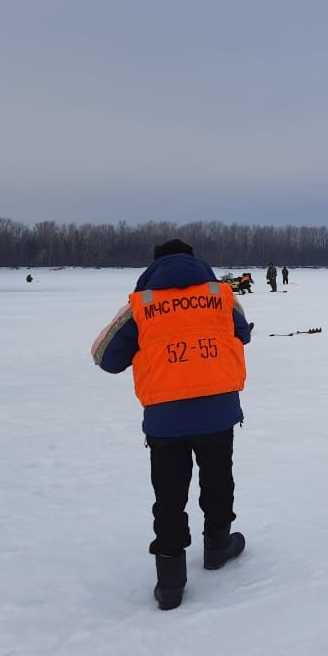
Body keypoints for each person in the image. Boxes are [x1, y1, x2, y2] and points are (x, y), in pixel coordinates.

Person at [90, 239, 252, 610]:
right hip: (217, 410)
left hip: (166, 418)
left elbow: (105, 357)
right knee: (217, 479)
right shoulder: (223, 296)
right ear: (195, 262)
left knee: (169, 495)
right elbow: (242, 334)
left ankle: (171, 582)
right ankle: (217, 546)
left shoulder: (141, 306)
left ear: (154, 266)